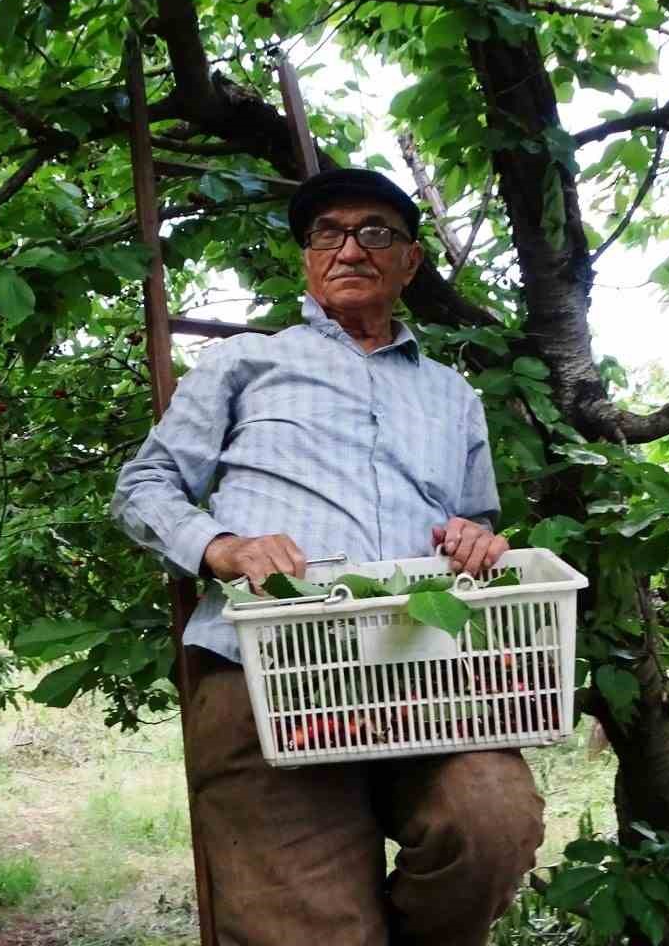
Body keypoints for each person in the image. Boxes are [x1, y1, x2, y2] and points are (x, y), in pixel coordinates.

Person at [110, 168, 544, 946]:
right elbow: (143, 485)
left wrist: (474, 539)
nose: (351, 248)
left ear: (410, 261)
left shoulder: (454, 395)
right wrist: (224, 546)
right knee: (309, 929)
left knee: (491, 822)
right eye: (327, 234)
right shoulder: (245, 364)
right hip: (264, 663)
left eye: (376, 232)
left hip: (426, 664)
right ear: (308, 259)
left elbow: (470, 520)